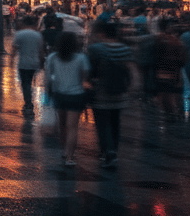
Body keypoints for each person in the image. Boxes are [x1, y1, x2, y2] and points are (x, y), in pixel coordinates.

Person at [87, 20, 134, 168]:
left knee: (102, 123)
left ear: (101, 33)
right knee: (115, 121)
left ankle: (108, 151)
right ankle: (113, 149)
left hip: (101, 92)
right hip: (120, 92)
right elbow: (131, 70)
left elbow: (89, 71)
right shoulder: (125, 49)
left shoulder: (95, 49)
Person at [45, 31, 90, 167]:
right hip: (76, 96)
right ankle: (70, 156)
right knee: (72, 128)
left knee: (62, 126)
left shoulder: (52, 57)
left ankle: (65, 150)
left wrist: (48, 95)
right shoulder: (81, 58)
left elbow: (48, 78)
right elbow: (85, 78)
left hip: (59, 95)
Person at [12, 16, 45, 116]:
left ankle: (28, 103)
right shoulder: (38, 35)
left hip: (23, 63)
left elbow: (14, 49)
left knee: (25, 84)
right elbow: (41, 51)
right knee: (29, 82)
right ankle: (28, 101)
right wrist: (41, 62)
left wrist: (11, 60)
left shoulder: (19, 34)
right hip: (34, 63)